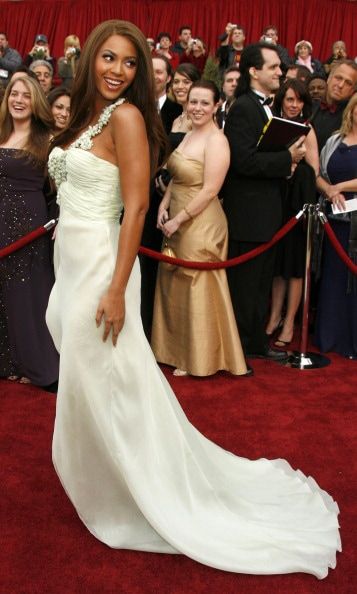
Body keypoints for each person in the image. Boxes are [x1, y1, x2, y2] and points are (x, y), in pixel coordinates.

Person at [46, 19, 340, 578]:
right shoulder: (89, 114)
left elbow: (134, 209)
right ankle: (110, 474)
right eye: (109, 58)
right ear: (89, 60)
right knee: (95, 375)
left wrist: (115, 288)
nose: (117, 71)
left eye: (129, 63)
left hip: (104, 266)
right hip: (74, 258)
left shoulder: (128, 117)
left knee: (115, 378)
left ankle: (140, 488)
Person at [152, 80, 249, 377]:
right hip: (177, 216)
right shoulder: (189, 134)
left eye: (204, 103)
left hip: (201, 222)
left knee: (196, 284)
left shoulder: (217, 140)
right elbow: (177, 175)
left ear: (217, 105)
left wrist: (178, 219)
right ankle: (173, 350)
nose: (197, 108)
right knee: (175, 283)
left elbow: (210, 190)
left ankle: (199, 358)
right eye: (193, 101)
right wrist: (163, 204)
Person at [223, 43, 306, 361]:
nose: (280, 72)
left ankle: (254, 344)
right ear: (254, 71)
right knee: (246, 287)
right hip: (248, 215)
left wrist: (288, 162)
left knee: (259, 286)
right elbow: (242, 161)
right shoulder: (244, 107)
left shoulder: (264, 107)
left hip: (265, 213)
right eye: (273, 67)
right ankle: (240, 349)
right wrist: (287, 158)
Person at [0, 75, 58, 386]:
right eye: (14, 94)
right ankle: (8, 360)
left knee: (29, 291)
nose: (19, 100)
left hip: (29, 225)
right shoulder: (1, 132)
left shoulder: (48, 139)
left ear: (36, 101)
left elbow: (64, 186)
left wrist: (58, 219)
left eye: (26, 95)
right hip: (0, 221)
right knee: (3, 291)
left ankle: (37, 363)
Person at [265, 79, 319, 346]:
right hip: (279, 200)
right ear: (281, 101)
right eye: (289, 99)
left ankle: (289, 325)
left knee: (296, 266)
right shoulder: (272, 126)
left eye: (298, 100)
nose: (294, 105)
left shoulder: (308, 130)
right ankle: (274, 316)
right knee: (278, 265)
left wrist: (296, 163)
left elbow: (315, 170)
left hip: (300, 201)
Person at [315, 94, 357, 358]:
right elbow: (317, 174)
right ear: (351, 111)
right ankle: (329, 337)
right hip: (333, 223)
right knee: (332, 278)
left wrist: (340, 186)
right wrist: (330, 190)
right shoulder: (333, 140)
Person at [311, 59, 357, 152]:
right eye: (338, 78)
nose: (340, 85)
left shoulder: (353, 118)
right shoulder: (310, 107)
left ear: (353, 91)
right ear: (328, 79)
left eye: (348, 83)